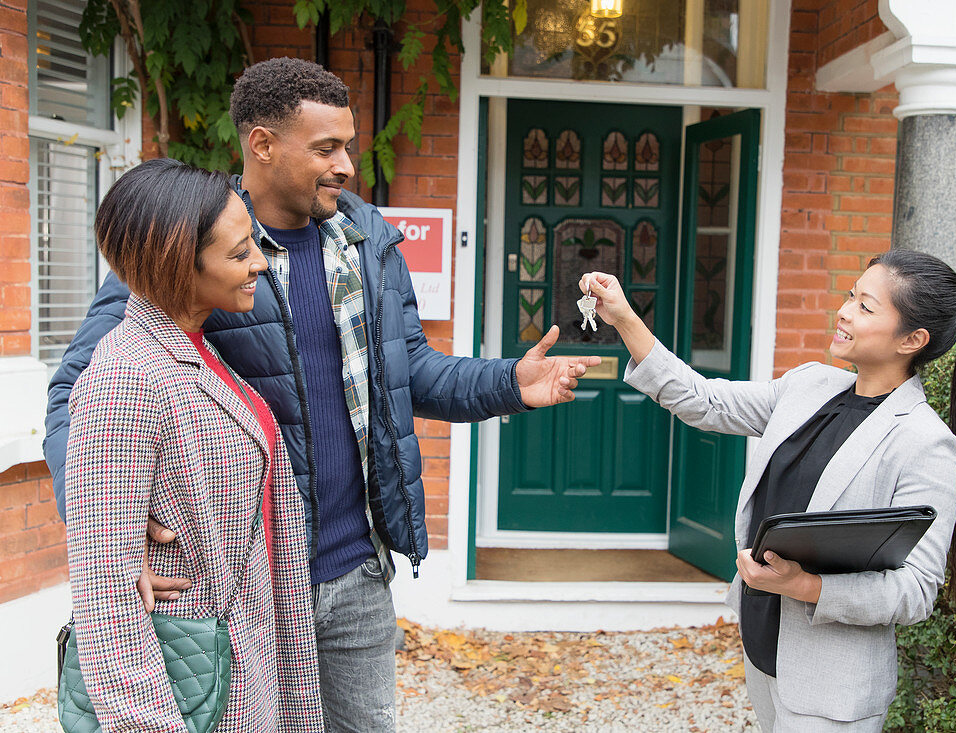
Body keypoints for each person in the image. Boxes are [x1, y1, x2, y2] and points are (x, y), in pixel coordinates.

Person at [45, 58, 596, 732]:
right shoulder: (197, 241)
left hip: (355, 567)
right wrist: (114, 533)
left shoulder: (367, 242)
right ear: (263, 145)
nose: (347, 166)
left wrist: (507, 382)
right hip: (252, 579)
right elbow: (83, 389)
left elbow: (409, 370)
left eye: (350, 146)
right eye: (327, 148)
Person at [580, 249, 956, 732]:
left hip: (832, 684)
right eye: (850, 296)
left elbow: (916, 591)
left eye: (865, 307)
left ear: (913, 339)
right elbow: (703, 400)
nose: (843, 311)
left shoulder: (924, 442)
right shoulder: (809, 386)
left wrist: (804, 586)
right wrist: (624, 318)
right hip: (764, 646)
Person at [65, 158, 324, 731]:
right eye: (238, 254)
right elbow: (106, 600)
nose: (260, 261)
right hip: (188, 682)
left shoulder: (199, 348)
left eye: (252, 243)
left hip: (243, 659)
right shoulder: (127, 377)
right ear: (177, 264)